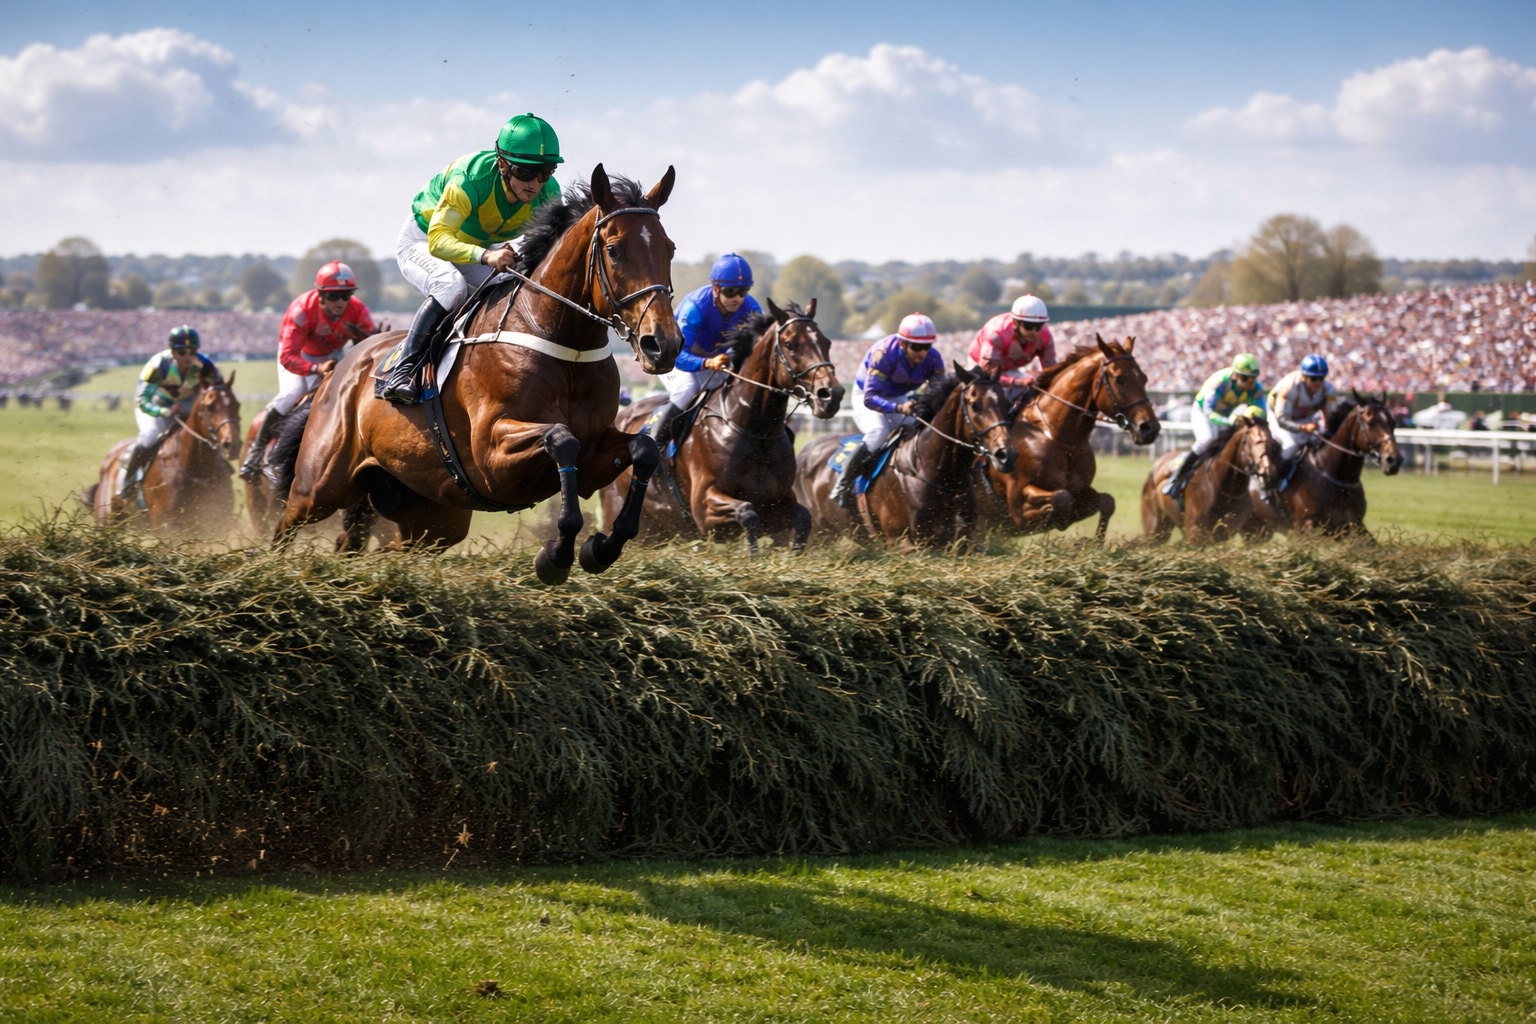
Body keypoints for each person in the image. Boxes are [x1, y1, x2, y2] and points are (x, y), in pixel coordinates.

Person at [384, 112, 565, 404]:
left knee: (513, 285)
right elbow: (439, 241)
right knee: (450, 286)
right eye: (525, 172)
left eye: (544, 173)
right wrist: (487, 255)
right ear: (503, 165)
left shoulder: (549, 193)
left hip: (478, 247)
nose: (535, 184)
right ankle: (403, 371)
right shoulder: (470, 178)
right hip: (423, 240)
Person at [240, 262, 377, 480]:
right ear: (320, 294)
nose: (340, 302)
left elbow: (368, 345)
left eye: (346, 295)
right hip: (299, 356)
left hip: (332, 355)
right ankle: (257, 454)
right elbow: (288, 356)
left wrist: (373, 338)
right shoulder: (301, 311)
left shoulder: (358, 310)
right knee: (293, 393)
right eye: (333, 296)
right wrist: (315, 368)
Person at [833, 312, 945, 509]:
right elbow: (870, 398)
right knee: (879, 431)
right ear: (902, 343)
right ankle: (843, 485)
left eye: (927, 347)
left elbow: (938, 394)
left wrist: (920, 400)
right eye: (917, 347)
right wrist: (900, 408)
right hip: (867, 396)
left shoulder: (934, 359)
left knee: (924, 429)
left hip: (899, 397)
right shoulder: (884, 353)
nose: (922, 353)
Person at [649, 253, 763, 444]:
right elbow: (678, 356)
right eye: (730, 292)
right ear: (716, 289)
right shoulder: (696, 307)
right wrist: (708, 362)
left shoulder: (751, 308)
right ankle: (655, 442)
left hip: (714, 360)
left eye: (743, 292)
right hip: (671, 357)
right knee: (688, 388)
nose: (737, 298)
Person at [117, 326, 225, 501]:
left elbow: (220, 389)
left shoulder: (205, 364)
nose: (188, 357)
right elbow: (143, 401)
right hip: (155, 408)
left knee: (209, 435)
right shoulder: (158, 365)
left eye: (192, 351)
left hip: (187, 408)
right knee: (150, 436)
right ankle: (128, 484)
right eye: (182, 352)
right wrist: (165, 411)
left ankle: (221, 477)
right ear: (173, 351)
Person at [1162, 352, 1267, 496]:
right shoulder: (1219, 381)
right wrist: (1228, 421)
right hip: (1204, 413)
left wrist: (1250, 412)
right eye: (1245, 378)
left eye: (1253, 379)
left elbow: (1262, 411)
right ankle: (1175, 480)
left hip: (1227, 415)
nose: (1250, 384)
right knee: (1207, 440)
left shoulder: (1256, 388)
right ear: (1235, 375)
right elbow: (1209, 412)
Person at [967, 293, 1057, 396]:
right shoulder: (997, 334)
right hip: (980, 368)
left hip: (1010, 369)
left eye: (1038, 326)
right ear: (1015, 323)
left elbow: (1051, 372)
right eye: (1028, 326)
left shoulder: (1045, 337)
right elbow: (988, 375)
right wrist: (1017, 381)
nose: (1034, 332)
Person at [1266, 353, 1342, 463]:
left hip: (1305, 419)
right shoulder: (1290, 387)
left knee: (1320, 443)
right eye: (1313, 378)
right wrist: (1304, 428)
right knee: (1291, 445)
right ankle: (1276, 475)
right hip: (1277, 417)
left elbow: (1332, 418)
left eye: (1321, 378)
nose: (1318, 383)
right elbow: (1282, 420)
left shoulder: (1328, 390)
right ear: (1303, 376)